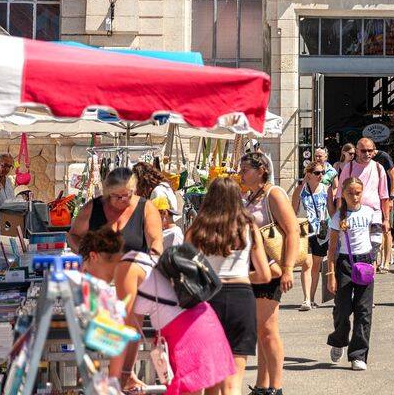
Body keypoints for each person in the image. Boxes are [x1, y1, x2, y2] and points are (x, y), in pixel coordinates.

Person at [115, 229, 236, 395]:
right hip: (203, 319)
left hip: (187, 333)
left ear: (94, 256)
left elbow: (125, 328)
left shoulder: (126, 268)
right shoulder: (144, 262)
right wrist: (127, 373)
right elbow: (133, 329)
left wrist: (117, 375)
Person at [188, 177, 272, 395]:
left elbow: (185, 270)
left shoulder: (198, 227)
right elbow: (263, 275)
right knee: (233, 382)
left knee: (210, 379)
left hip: (207, 299)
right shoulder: (249, 226)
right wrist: (243, 275)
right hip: (240, 299)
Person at [240, 151, 299, 395]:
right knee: (262, 330)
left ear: (261, 169)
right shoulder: (251, 195)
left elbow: (293, 230)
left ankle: (276, 386)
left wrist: (287, 269)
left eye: (245, 169)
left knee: (268, 330)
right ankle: (263, 384)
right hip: (254, 268)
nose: (241, 173)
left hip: (272, 270)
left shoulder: (274, 194)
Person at [326, 177, 383, 370]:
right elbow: (332, 248)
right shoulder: (337, 218)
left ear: (362, 192)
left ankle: (358, 354)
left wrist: (374, 260)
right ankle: (339, 339)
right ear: (343, 194)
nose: (354, 196)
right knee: (342, 309)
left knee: (364, 310)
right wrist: (331, 275)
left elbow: (376, 236)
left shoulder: (370, 212)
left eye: (358, 192)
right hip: (344, 263)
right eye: (350, 193)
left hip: (365, 261)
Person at [69, 167, 163, 255]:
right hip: (99, 270)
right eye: (116, 196)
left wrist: (153, 258)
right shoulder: (92, 208)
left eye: (126, 195)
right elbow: (73, 236)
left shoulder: (146, 208)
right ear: (107, 193)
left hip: (133, 269)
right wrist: (85, 254)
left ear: (133, 191)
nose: (122, 199)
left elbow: (156, 240)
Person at [291, 159, 330, 311]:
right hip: (304, 229)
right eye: (317, 173)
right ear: (308, 174)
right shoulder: (299, 191)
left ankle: (312, 298)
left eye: (322, 172)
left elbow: (331, 211)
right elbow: (292, 212)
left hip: (321, 231)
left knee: (317, 265)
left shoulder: (326, 189)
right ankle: (306, 299)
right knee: (307, 264)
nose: (320, 175)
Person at [368, 142, 394, 270]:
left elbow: (393, 177)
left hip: (385, 197)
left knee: (386, 229)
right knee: (375, 230)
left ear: (374, 149)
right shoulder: (364, 159)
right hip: (373, 198)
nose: (367, 154)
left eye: (369, 151)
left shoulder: (383, 157)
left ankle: (386, 261)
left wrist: (391, 197)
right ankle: (377, 260)